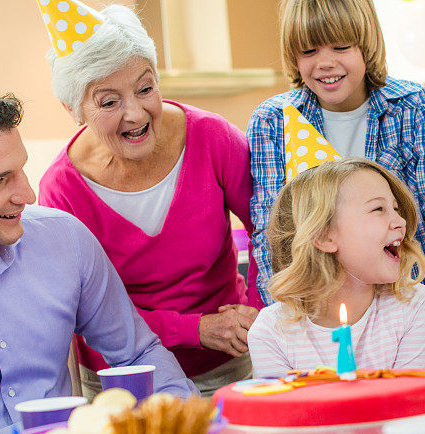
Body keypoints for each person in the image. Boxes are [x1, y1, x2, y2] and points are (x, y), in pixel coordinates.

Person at [0, 79, 198, 434]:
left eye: (21, 170)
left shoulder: (65, 240)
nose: (27, 193)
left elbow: (137, 355)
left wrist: (183, 416)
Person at [35, 2, 262, 397]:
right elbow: (84, 311)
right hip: (124, 381)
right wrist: (195, 329)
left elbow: (272, 230)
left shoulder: (213, 138)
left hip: (230, 363)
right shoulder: (61, 190)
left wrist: (257, 311)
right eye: (109, 102)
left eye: (146, 88)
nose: (136, 113)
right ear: (72, 109)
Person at [247, 0, 425, 369]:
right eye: (309, 50)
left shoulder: (414, 107)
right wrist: (295, 332)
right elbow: (271, 236)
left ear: (366, 45)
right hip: (315, 334)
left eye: (341, 46)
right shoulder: (273, 121)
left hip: (407, 322)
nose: (325, 62)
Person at [248, 158, 425, 377]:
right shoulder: (270, 332)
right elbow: (285, 410)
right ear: (324, 236)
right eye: (378, 209)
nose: (400, 221)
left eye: (395, 208)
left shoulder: (411, 303)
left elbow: (410, 400)